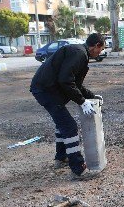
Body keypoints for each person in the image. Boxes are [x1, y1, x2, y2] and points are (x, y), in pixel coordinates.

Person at [30, 33, 106, 180]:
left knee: (62, 125)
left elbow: (75, 84)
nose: (100, 52)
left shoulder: (79, 53)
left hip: (46, 88)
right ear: (96, 45)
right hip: (46, 91)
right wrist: (82, 102)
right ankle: (78, 169)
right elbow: (65, 81)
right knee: (69, 127)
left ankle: (61, 157)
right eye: (101, 49)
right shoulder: (79, 54)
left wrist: (92, 96)